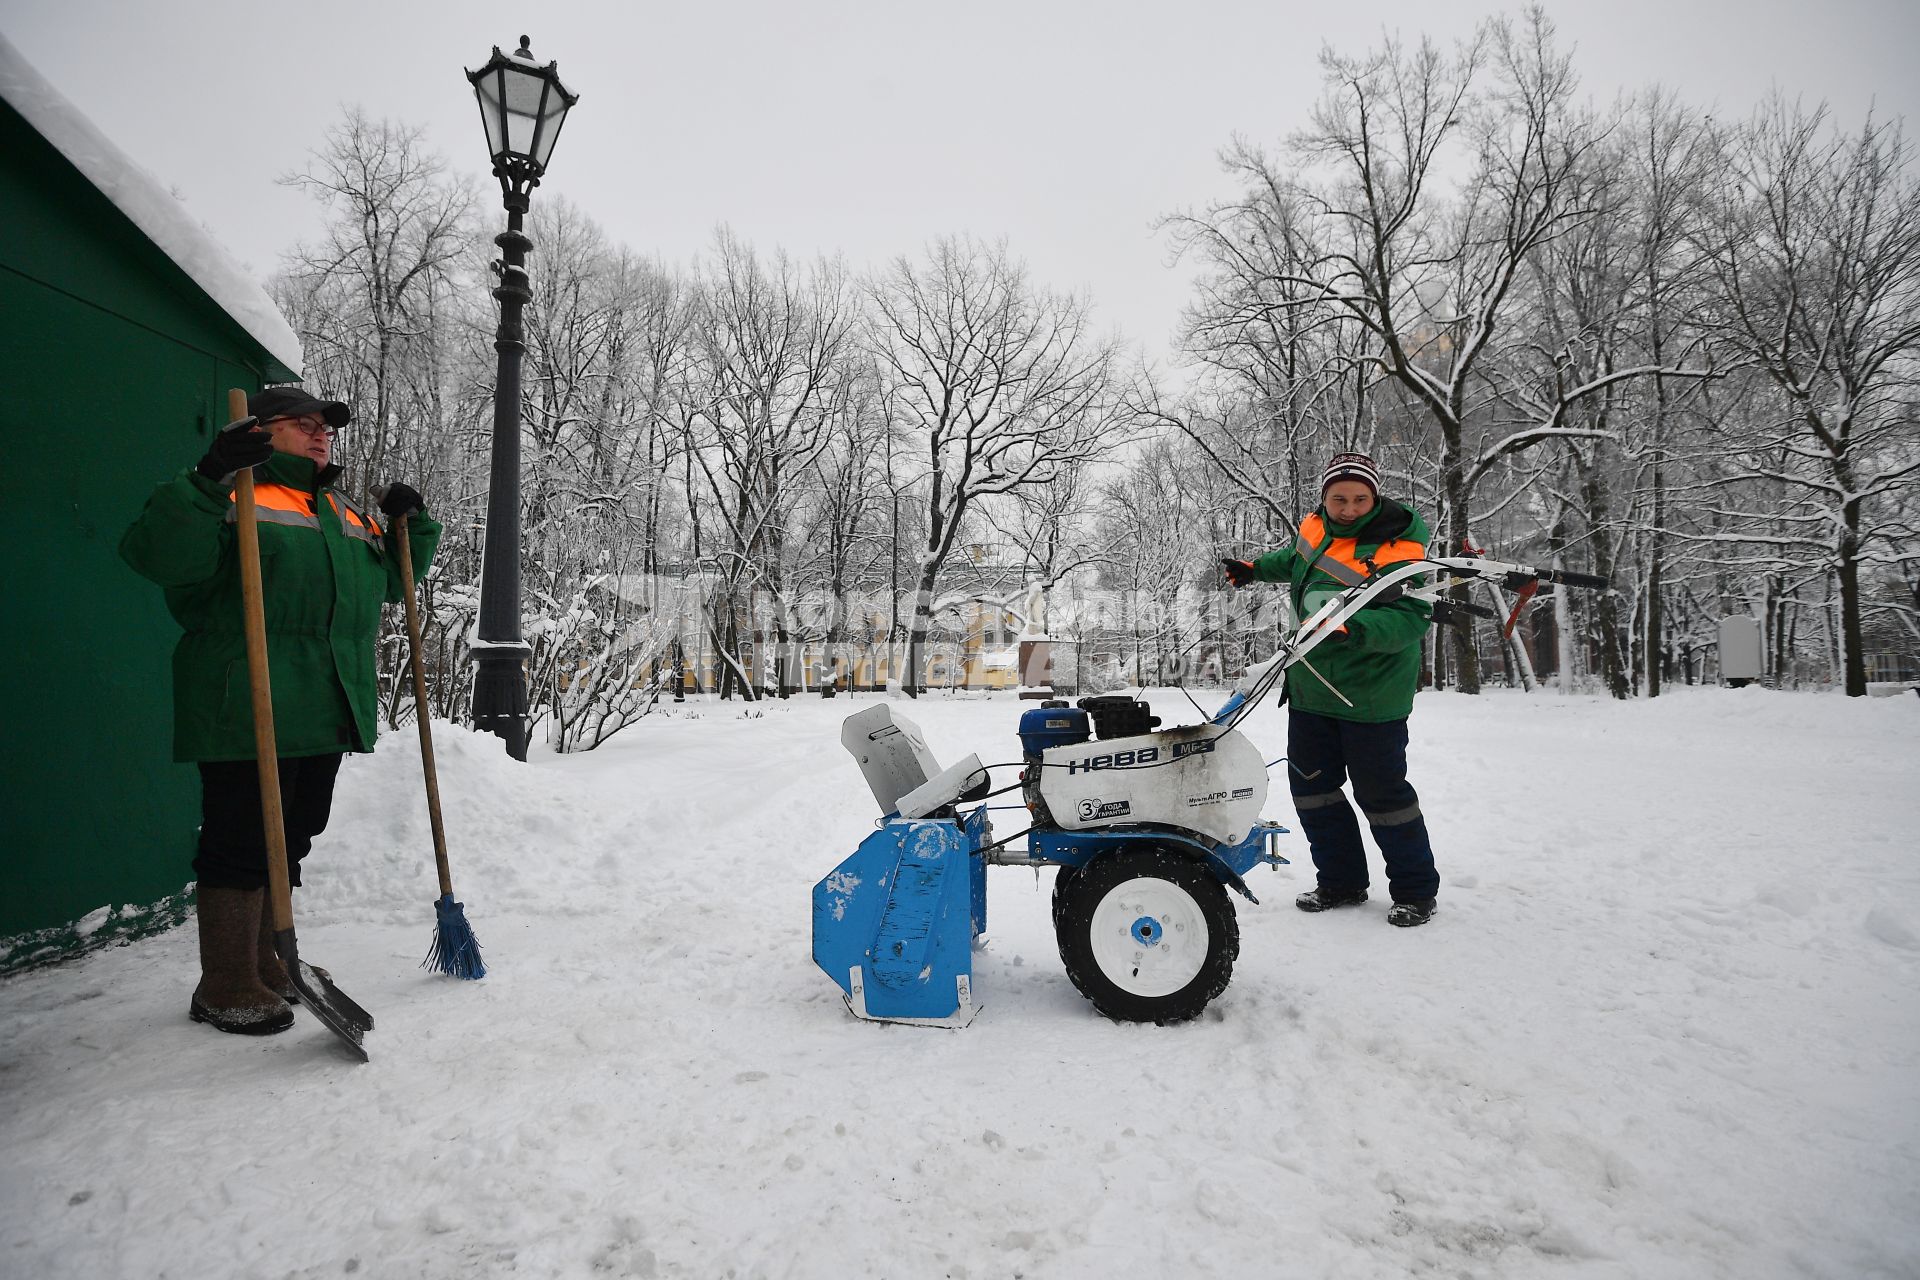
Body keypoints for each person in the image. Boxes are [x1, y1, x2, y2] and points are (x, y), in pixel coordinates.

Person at [120, 387, 442, 1032]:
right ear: (261, 432)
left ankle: (268, 958)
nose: (320, 434)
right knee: (242, 838)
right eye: (302, 425)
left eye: (324, 427)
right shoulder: (228, 494)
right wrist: (208, 476)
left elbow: (392, 584)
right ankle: (226, 979)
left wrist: (413, 525)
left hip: (325, 697)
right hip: (248, 695)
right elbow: (157, 556)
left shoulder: (342, 511)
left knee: (292, 834)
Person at [1221, 452, 1440, 927]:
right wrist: (1255, 569)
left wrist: (1353, 627)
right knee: (1314, 790)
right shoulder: (1316, 529)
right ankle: (1341, 882)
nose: (1349, 508)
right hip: (1313, 687)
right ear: (1324, 498)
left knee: (1382, 794)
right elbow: (1298, 561)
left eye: (1360, 499)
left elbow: (1410, 619)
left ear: (1374, 497)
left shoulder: (1398, 546)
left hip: (1372, 694)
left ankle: (1416, 891)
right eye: (1339, 498)